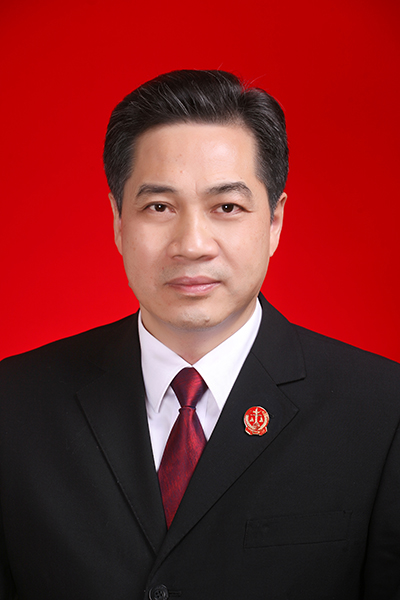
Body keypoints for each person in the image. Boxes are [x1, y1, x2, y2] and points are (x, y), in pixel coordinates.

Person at [0, 70, 399, 600]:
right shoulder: (14, 404)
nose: (191, 244)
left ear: (275, 221)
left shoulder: (382, 411)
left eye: (226, 207)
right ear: (118, 220)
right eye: (159, 207)